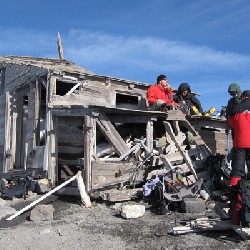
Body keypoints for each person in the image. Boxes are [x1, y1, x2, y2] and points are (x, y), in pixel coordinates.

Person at [228, 90, 250, 225]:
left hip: (240, 143)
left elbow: (231, 124)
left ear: (242, 97)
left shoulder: (237, 107)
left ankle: (236, 208)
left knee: (237, 171)